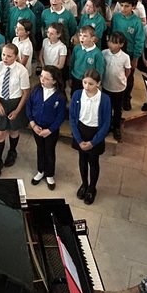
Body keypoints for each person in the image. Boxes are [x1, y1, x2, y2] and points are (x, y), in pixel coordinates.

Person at [70, 70, 112, 205]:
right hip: (80, 131)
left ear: (98, 84)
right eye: (85, 82)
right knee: (82, 159)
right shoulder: (77, 94)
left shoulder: (105, 99)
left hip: (95, 133)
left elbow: (106, 123)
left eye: (91, 84)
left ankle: (92, 188)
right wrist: (79, 139)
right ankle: (84, 184)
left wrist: (93, 142)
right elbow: (72, 117)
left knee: (93, 162)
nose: (87, 86)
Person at [0, 42, 30, 177]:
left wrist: (17, 110)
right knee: (0, 133)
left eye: (9, 56)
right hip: (0, 101)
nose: (5, 58)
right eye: (3, 55)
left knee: (13, 130)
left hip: (15, 102)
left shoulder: (21, 70)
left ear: (16, 56)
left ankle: (12, 152)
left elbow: (25, 93)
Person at [27, 66, 67, 190]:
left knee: (49, 150)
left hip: (51, 130)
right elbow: (29, 106)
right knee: (40, 149)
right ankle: (40, 171)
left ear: (54, 81)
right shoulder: (36, 90)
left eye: (46, 78)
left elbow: (61, 116)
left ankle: (49, 174)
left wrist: (50, 130)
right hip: (37, 127)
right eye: (41, 76)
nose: (42, 80)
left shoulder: (59, 96)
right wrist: (33, 124)